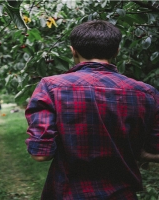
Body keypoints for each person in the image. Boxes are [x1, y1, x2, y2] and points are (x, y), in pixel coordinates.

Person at [25, 20, 159, 199]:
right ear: (116, 51)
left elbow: (41, 155)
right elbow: (154, 151)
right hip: (122, 194)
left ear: (73, 51)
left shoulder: (51, 87)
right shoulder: (146, 93)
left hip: (69, 193)